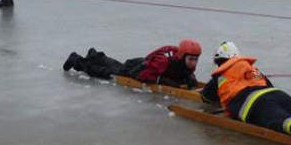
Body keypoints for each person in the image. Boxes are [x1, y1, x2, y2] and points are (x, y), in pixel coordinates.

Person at [63, 39, 202, 88]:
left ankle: (95, 55)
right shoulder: (163, 61)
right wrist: (163, 81)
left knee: (114, 65)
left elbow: (183, 72)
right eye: (191, 59)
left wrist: (190, 78)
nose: (193, 63)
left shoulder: (181, 61)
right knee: (106, 72)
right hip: (136, 69)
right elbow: (142, 77)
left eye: (196, 59)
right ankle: (77, 60)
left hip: (142, 64)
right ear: (181, 56)